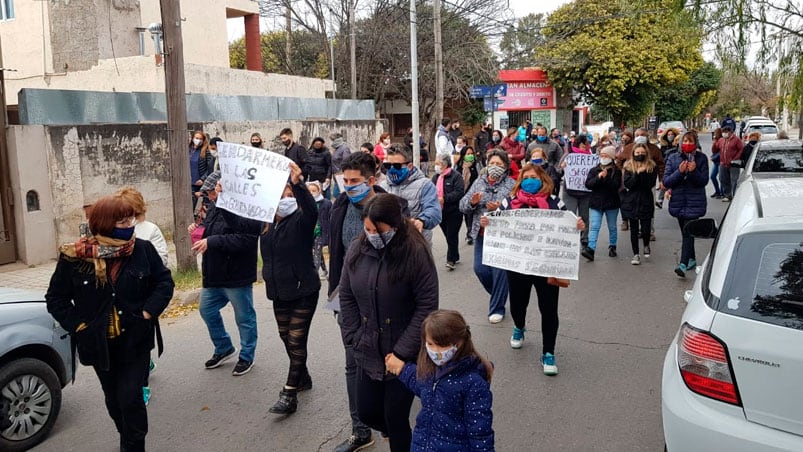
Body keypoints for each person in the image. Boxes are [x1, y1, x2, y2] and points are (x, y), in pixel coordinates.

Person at [46, 194, 174, 451]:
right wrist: (80, 326)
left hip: (135, 340)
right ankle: (125, 434)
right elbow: (55, 298)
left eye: (131, 219)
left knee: (131, 399)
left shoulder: (142, 249)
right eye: (123, 220)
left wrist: (148, 313)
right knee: (114, 400)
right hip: (98, 345)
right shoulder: (75, 258)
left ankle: (133, 445)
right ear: (104, 224)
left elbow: (164, 283)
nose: (130, 225)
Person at [339, 193, 439, 452]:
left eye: (378, 230)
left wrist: (403, 352)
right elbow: (346, 293)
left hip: (402, 354)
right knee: (368, 413)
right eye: (367, 228)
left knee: (396, 418)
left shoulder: (416, 253)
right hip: (367, 346)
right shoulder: (356, 248)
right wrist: (352, 334)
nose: (371, 234)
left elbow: (427, 306)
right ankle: (391, 433)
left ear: (395, 226)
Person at [329, 152, 406, 452]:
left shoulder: (394, 208)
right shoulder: (339, 206)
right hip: (348, 300)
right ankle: (360, 430)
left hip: (386, 304)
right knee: (354, 364)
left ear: (371, 181)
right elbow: (337, 254)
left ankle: (395, 420)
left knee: (390, 365)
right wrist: (334, 292)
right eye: (345, 180)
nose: (348, 186)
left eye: (355, 181)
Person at [480, 164, 584, 375]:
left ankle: (548, 352)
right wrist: (487, 223)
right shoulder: (510, 202)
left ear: (543, 179)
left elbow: (568, 226)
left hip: (547, 266)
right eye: (526, 177)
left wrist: (578, 226)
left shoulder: (554, 202)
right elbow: (497, 222)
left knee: (549, 309)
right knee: (518, 305)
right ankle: (519, 326)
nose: (529, 180)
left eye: (533, 177)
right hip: (517, 265)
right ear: (520, 180)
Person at [385, 310, 494, 451]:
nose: (436, 351)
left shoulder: (473, 383)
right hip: (422, 445)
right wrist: (402, 369)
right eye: (430, 344)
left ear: (461, 341)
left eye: (443, 345)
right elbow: (420, 384)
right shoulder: (429, 368)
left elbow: (480, 432)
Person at [260, 163, 321, 415]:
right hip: (278, 292)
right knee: (286, 337)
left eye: (289, 196)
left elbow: (311, 209)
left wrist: (298, 184)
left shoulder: (301, 221)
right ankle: (302, 375)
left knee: (296, 341)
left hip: (304, 290)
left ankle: (290, 392)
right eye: (281, 196)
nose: (286, 200)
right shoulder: (266, 225)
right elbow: (236, 222)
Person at [189, 171, 263, 376]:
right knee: (207, 310)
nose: (210, 197)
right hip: (214, 273)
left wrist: (212, 241)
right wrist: (198, 230)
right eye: (209, 193)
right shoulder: (213, 207)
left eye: (213, 192)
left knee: (244, 317)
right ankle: (224, 347)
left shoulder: (247, 207)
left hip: (236, 275)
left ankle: (247, 356)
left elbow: (246, 240)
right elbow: (210, 231)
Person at [116, 187, 168, 406]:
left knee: (141, 340)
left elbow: (162, 261)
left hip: (144, 296)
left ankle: (142, 385)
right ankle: (142, 365)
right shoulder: (114, 229)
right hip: (122, 298)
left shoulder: (149, 230)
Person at [459, 150, 516, 324]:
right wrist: (473, 202)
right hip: (481, 235)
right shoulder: (479, 182)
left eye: (499, 165)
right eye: (492, 164)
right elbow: (463, 206)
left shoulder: (512, 184)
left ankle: (497, 307)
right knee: (480, 270)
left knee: (499, 272)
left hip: (502, 237)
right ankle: (501, 293)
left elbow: (519, 210)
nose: (495, 167)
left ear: (506, 167)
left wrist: (501, 207)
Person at [663, 130, 708, 278]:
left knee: (688, 232)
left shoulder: (701, 159)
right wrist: (680, 172)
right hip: (679, 201)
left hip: (695, 201)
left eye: (691, 141)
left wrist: (694, 172)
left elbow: (703, 181)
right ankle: (692, 259)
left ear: (695, 143)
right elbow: (667, 181)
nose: (688, 144)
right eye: (685, 141)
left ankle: (682, 264)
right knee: (686, 232)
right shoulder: (673, 158)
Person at [379, 144, 442, 243]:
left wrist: (421, 221)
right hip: (388, 244)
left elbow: (434, 211)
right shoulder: (382, 186)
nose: (391, 169)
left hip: (416, 245)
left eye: (396, 166)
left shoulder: (425, 185)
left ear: (409, 166)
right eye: (387, 165)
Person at [581, 146, 622, 261]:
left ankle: (612, 246)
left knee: (612, 227)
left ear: (612, 157)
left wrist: (606, 178)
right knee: (594, 227)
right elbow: (588, 184)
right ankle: (591, 249)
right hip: (596, 203)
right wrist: (599, 178)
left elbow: (615, 186)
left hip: (611, 203)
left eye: (606, 156)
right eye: (602, 155)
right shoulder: (594, 170)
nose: (603, 158)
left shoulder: (616, 171)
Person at [621, 143, 658, 265]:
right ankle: (635, 254)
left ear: (646, 153)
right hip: (632, 201)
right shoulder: (628, 166)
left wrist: (643, 173)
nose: (640, 155)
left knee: (646, 229)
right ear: (633, 154)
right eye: (637, 153)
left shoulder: (651, 166)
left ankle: (646, 244)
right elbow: (628, 184)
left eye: (642, 153)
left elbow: (650, 184)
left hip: (646, 199)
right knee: (634, 229)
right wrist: (637, 173)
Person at [432, 154, 465, 270]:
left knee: (451, 234)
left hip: (454, 211)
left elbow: (459, 192)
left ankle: (450, 260)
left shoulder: (456, 176)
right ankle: (455, 254)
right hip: (441, 212)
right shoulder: (436, 177)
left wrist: (445, 198)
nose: (436, 166)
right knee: (449, 235)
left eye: (438, 164)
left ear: (445, 164)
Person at [558, 134, 592, 247]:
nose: (584, 148)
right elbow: (558, 172)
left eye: (585, 145)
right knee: (570, 215)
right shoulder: (568, 156)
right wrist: (562, 168)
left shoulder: (591, 157)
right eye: (582, 145)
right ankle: (570, 237)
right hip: (570, 192)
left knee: (584, 216)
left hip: (585, 192)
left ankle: (584, 238)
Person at [307, 181, 331, 279]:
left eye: (314, 190)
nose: (312, 193)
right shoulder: (307, 204)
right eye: (310, 191)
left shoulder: (326, 203)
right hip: (311, 232)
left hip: (322, 231)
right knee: (318, 252)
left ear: (319, 191)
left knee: (316, 252)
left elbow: (331, 216)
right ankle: (325, 270)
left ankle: (314, 273)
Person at [457, 145, 480, 244]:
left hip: (475, 193)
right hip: (464, 193)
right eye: (468, 154)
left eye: (471, 154)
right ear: (463, 155)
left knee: (472, 215)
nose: (470, 156)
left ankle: (471, 234)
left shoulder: (477, 165)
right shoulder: (459, 167)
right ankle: (469, 232)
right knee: (467, 215)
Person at [189, 130, 215, 209]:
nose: (198, 140)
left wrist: (203, 179)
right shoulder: (188, 150)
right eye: (196, 138)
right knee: (189, 206)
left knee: (202, 204)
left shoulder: (206, 151)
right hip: (189, 182)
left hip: (200, 182)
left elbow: (210, 167)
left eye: (200, 139)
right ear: (193, 138)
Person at [717, 125, 743, 202]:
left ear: (730, 132)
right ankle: (727, 195)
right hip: (723, 163)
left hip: (734, 163)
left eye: (726, 132)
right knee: (723, 179)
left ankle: (735, 195)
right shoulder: (721, 140)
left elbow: (741, 149)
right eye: (723, 132)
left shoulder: (736, 140)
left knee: (734, 180)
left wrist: (735, 158)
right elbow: (716, 149)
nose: (724, 133)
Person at [655, 127, 679, 208]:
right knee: (665, 182)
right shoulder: (663, 146)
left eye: (672, 134)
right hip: (667, 167)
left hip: (677, 167)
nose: (670, 136)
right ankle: (660, 201)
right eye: (668, 134)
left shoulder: (678, 145)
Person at [331, 132, 354, 197]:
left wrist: (341, 173)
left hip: (341, 176)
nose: (332, 142)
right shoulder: (336, 149)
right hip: (336, 175)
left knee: (338, 194)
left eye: (333, 140)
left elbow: (346, 162)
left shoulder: (344, 148)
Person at [709, 128, 724, 199]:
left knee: (721, 177)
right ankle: (717, 191)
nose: (714, 135)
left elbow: (721, 152)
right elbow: (713, 150)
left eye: (716, 133)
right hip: (716, 162)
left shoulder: (723, 140)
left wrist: (713, 158)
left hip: (721, 161)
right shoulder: (716, 141)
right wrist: (714, 143)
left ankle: (722, 192)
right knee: (712, 176)